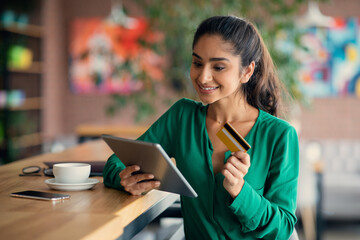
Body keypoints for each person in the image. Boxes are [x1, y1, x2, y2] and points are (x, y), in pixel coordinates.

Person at [103, 15, 299, 239]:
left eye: (218, 66)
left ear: (247, 71)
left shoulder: (280, 135)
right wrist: (124, 178)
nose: (203, 77)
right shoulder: (182, 117)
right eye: (197, 63)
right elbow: (117, 161)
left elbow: (283, 228)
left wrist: (240, 191)